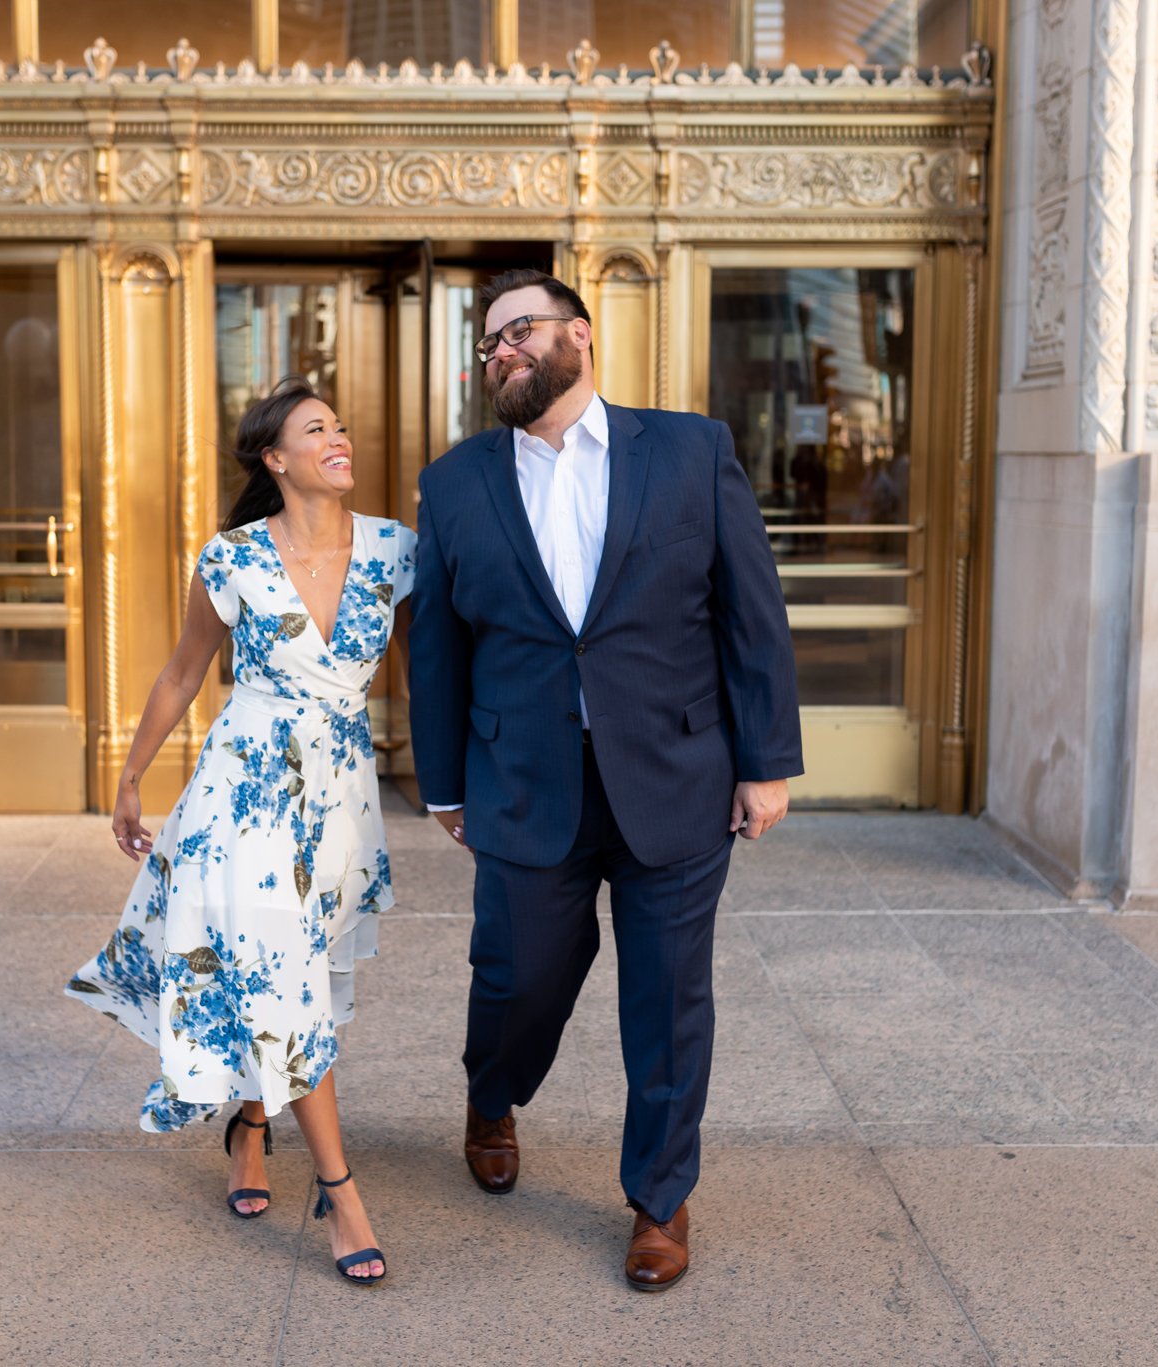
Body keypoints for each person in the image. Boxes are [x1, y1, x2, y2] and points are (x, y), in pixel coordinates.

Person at [408, 269, 803, 1292]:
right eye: (486, 343)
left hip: (675, 773)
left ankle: (659, 1197)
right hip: (522, 777)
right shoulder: (454, 483)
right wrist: (441, 780)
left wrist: (765, 762)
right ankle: (491, 1091)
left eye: (517, 332)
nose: (499, 352)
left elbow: (747, 614)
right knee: (517, 974)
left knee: (668, 997)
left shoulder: (687, 449)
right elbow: (440, 648)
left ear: (579, 336)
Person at [66, 377, 414, 1287]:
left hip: (339, 799)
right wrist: (133, 775)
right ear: (275, 458)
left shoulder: (395, 551)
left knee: (296, 972)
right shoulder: (232, 559)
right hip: (245, 797)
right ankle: (342, 1196)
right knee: (283, 977)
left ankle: (251, 1124)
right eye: (315, 429)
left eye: (341, 425)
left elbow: (431, 677)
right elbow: (184, 674)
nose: (339, 438)